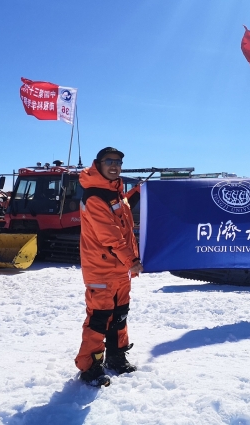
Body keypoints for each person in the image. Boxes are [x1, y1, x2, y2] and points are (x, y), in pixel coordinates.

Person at [75, 147, 142, 387]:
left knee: (119, 316)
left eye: (118, 162)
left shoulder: (114, 192)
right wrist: (132, 261)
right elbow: (110, 237)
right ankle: (90, 367)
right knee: (99, 319)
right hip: (101, 269)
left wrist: (141, 191)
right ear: (98, 164)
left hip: (119, 269)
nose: (114, 166)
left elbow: (124, 205)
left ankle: (116, 357)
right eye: (109, 161)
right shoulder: (94, 196)